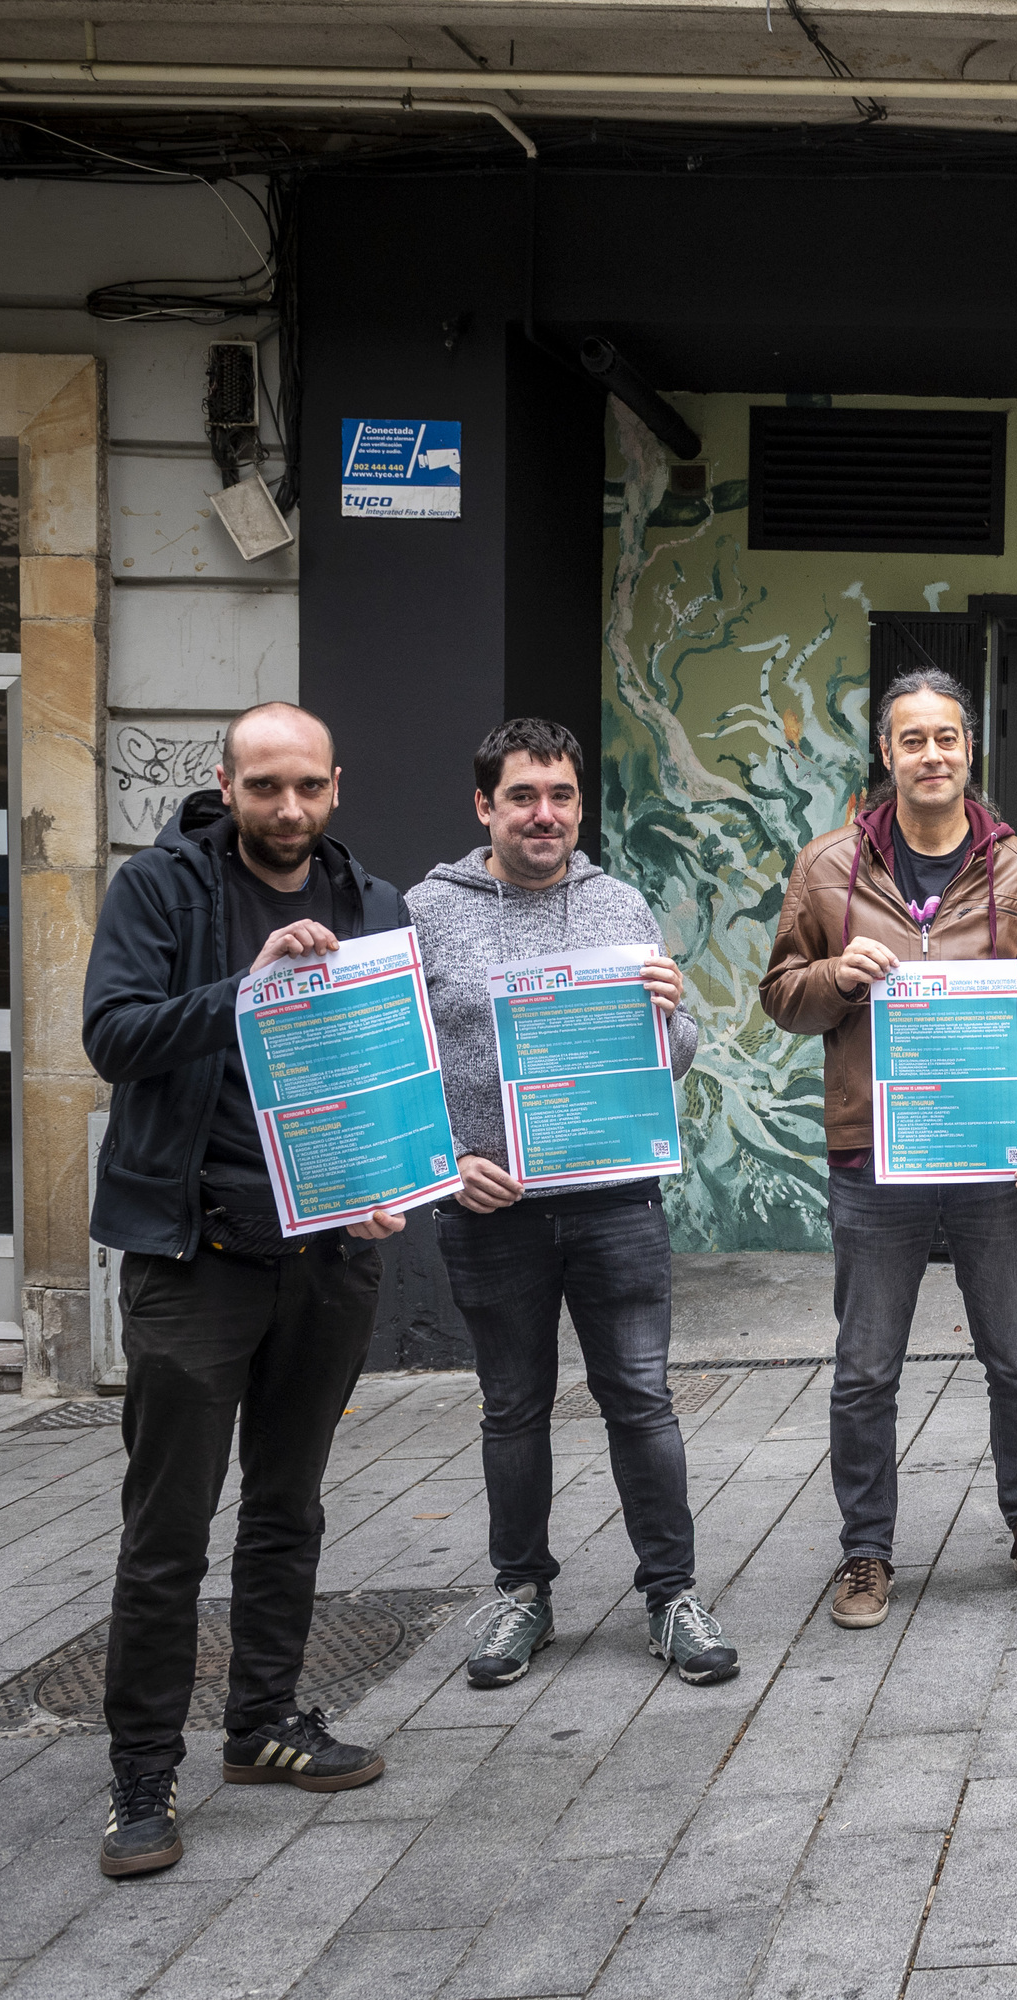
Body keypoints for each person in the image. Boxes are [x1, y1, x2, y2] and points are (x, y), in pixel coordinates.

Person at [80, 702, 407, 1879]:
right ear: (225, 781)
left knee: (289, 1506)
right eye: (264, 785)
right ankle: (139, 1778)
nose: (287, 808)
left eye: (307, 786)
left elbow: (386, 1060)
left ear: (336, 784)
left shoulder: (373, 900)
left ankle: (263, 1722)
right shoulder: (162, 891)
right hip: (193, 1258)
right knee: (167, 1529)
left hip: (328, 1257)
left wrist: (393, 1173)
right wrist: (245, 989)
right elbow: (112, 1036)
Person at [411, 718, 735, 1692]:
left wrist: (674, 1013)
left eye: (559, 795)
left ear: (579, 805)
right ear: (485, 806)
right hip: (490, 1207)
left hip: (615, 1202)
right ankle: (522, 1593)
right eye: (522, 795)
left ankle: (671, 1596)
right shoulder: (427, 912)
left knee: (640, 1398)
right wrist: (445, 1162)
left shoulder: (621, 903)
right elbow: (397, 1060)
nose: (543, 813)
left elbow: (669, 1056)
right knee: (512, 1406)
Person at [762, 668, 1017, 1629]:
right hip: (874, 1158)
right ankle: (866, 1553)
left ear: (969, 749)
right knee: (866, 1366)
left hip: (987, 1155)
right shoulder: (827, 867)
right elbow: (781, 996)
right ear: (887, 752)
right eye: (914, 740)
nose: (932, 755)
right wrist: (835, 975)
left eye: (947, 738)